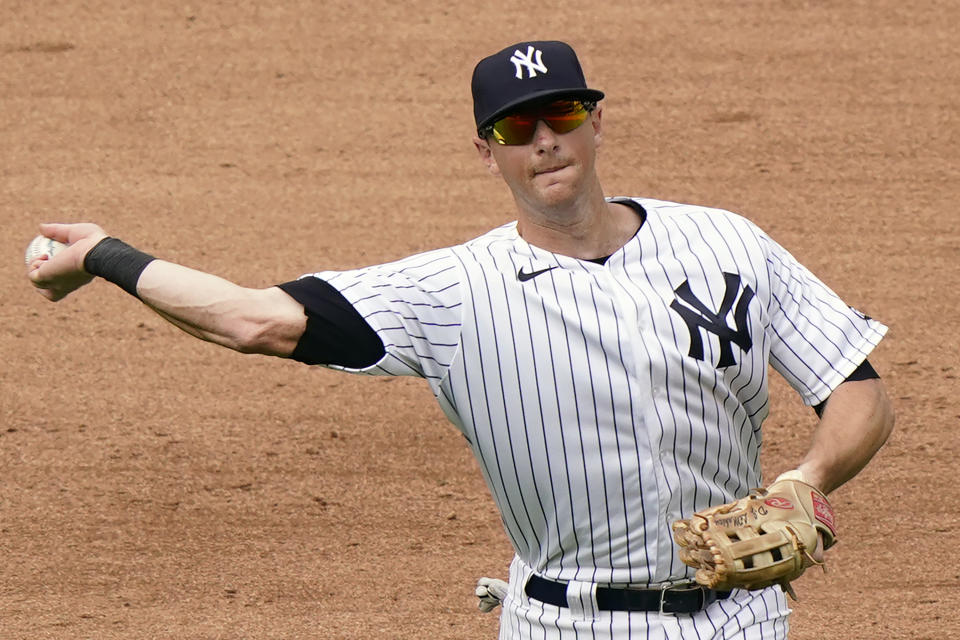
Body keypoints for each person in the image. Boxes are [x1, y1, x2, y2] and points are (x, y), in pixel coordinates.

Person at [27, 40, 894, 639]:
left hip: (740, 614)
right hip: (568, 622)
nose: (544, 141)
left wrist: (805, 478)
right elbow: (251, 317)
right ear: (487, 153)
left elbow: (855, 388)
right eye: (517, 129)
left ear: (597, 120)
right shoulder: (450, 292)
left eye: (560, 113)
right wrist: (106, 254)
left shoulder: (729, 241)